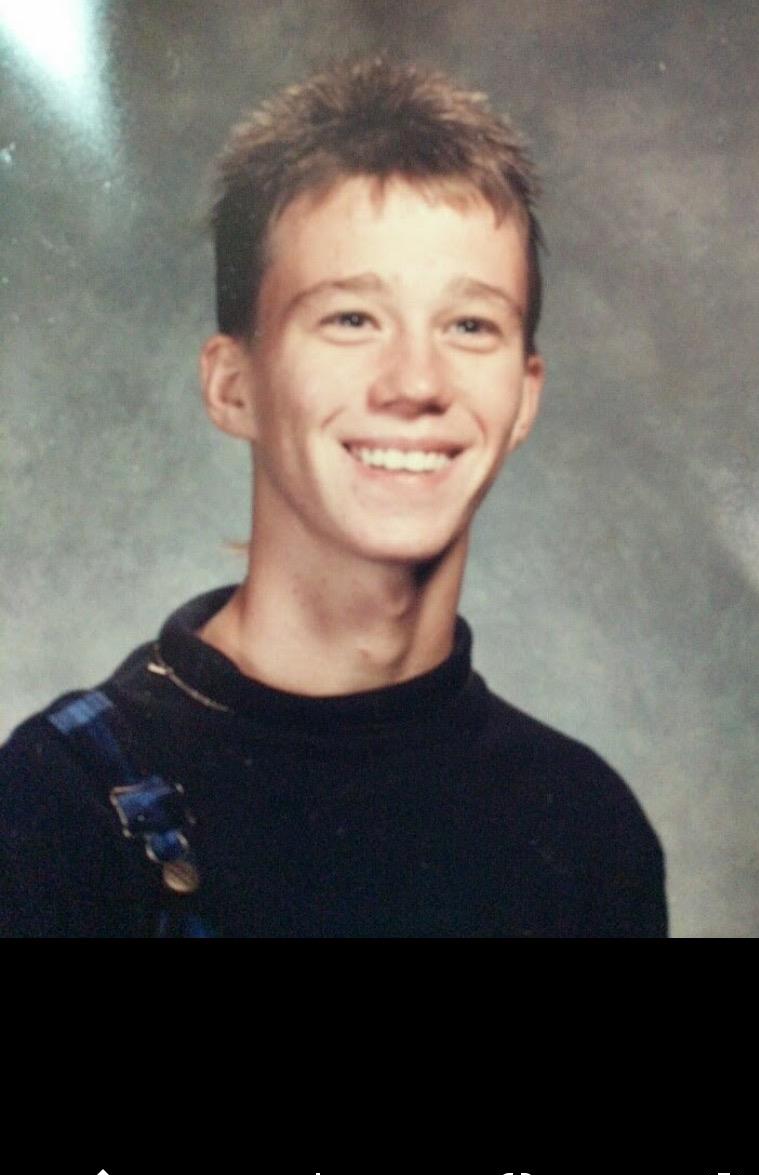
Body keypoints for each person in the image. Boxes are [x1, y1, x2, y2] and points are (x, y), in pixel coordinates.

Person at [0, 56, 668, 937]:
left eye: (470, 325)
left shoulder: (587, 826)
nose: (416, 382)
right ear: (233, 385)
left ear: (525, 398)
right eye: (352, 318)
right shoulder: (59, 805)